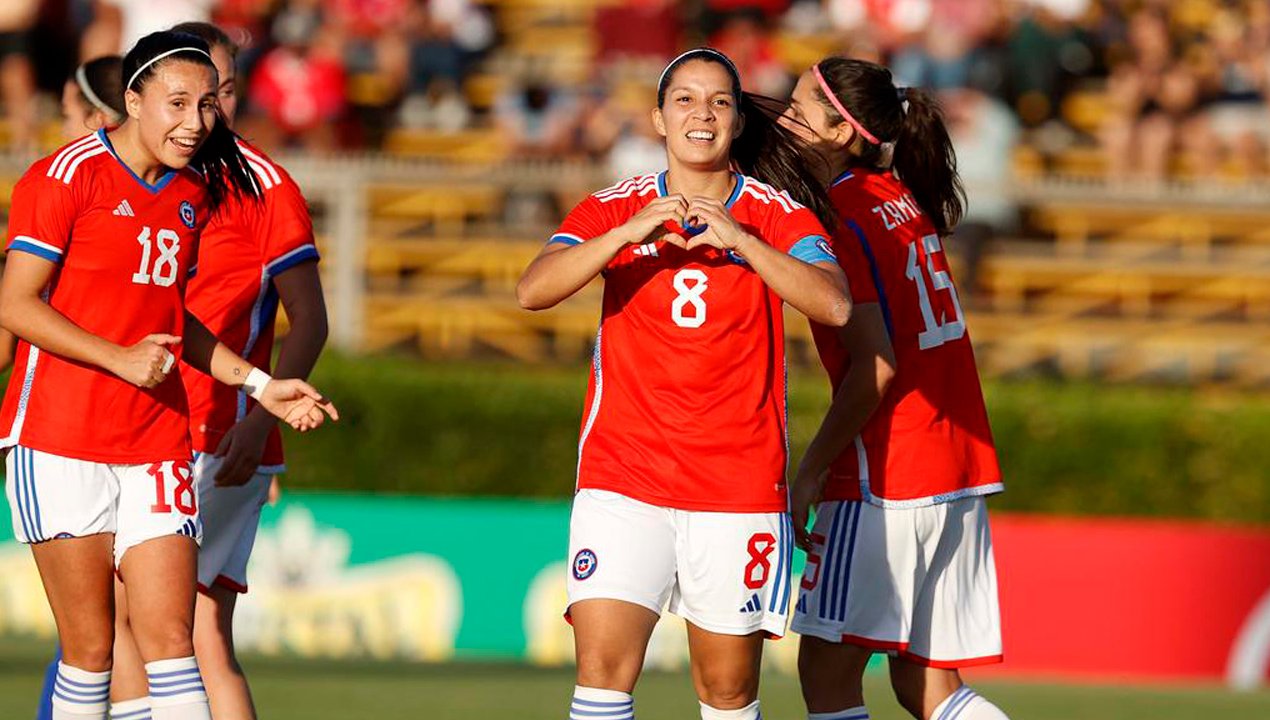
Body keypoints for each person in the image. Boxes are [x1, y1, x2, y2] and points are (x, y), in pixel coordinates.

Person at [0, 30, 336, 720]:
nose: (195, 122)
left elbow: (175, 319)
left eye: (208, 104)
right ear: (132, 98)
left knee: (173, 644)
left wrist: (258, 385)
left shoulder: (190, 194)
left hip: (156, 440)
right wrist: (117, 357)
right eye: (177, 103)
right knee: (92, 649)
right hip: (59, 439)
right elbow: (14, 303)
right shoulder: (63, 176)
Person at [517, 48, 850, 720]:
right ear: (659, 119)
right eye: (686, 100)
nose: (703, 114)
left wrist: (745, 244)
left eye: (720, 101)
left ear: (736, 121)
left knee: (726, 691)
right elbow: (533, 289)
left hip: (737, 487)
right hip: (624, 478)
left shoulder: (777, 214)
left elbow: (835, 305)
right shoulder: (614, 206)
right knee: (602, 675)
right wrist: (625, 235)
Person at [98, 20, 328, 720]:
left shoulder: (261, 183)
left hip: (211, 433)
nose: (207, 107)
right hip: (136, 423)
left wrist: (260, 426)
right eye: (192, 91)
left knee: (186, 634)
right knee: (131, 630)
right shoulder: (148, 174)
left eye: (218, 90)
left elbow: (310, 320)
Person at [778, 57, 1009, 720]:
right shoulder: (896, 196)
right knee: (928, 687)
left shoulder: (844, 212)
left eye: (799, 111)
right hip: (954, 469)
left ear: (841, 133)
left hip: (891, 473)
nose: (785, 121)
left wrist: (812, 469)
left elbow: (874, 368)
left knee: (826, 673)